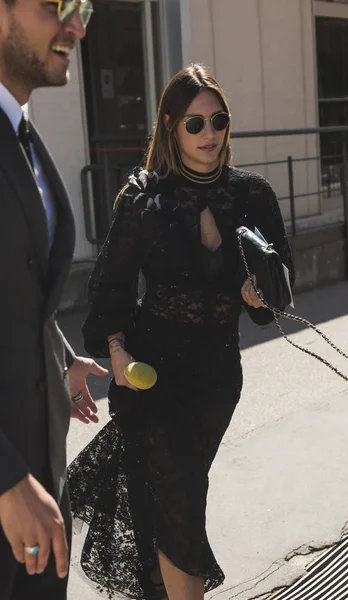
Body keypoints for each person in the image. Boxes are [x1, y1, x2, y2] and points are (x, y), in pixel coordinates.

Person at [68, 63, 295, 600]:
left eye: (218, 121)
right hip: (152, 379)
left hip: (218, 380)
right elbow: (110, 294)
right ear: (170, 128)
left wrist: (257, 295)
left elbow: (277, 294)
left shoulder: (253, 195)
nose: (210, 134)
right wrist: (118, 354)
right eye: (194, 124)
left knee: (174, 501)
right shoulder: (145, 200)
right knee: (181, 508)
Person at [0, 2, 109, 599]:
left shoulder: (22, 132)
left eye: (83, 7)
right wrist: (7, 480)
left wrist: (62, 356)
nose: (77, 25)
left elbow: (18, 285)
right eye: (56, 5)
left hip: (41, 485)